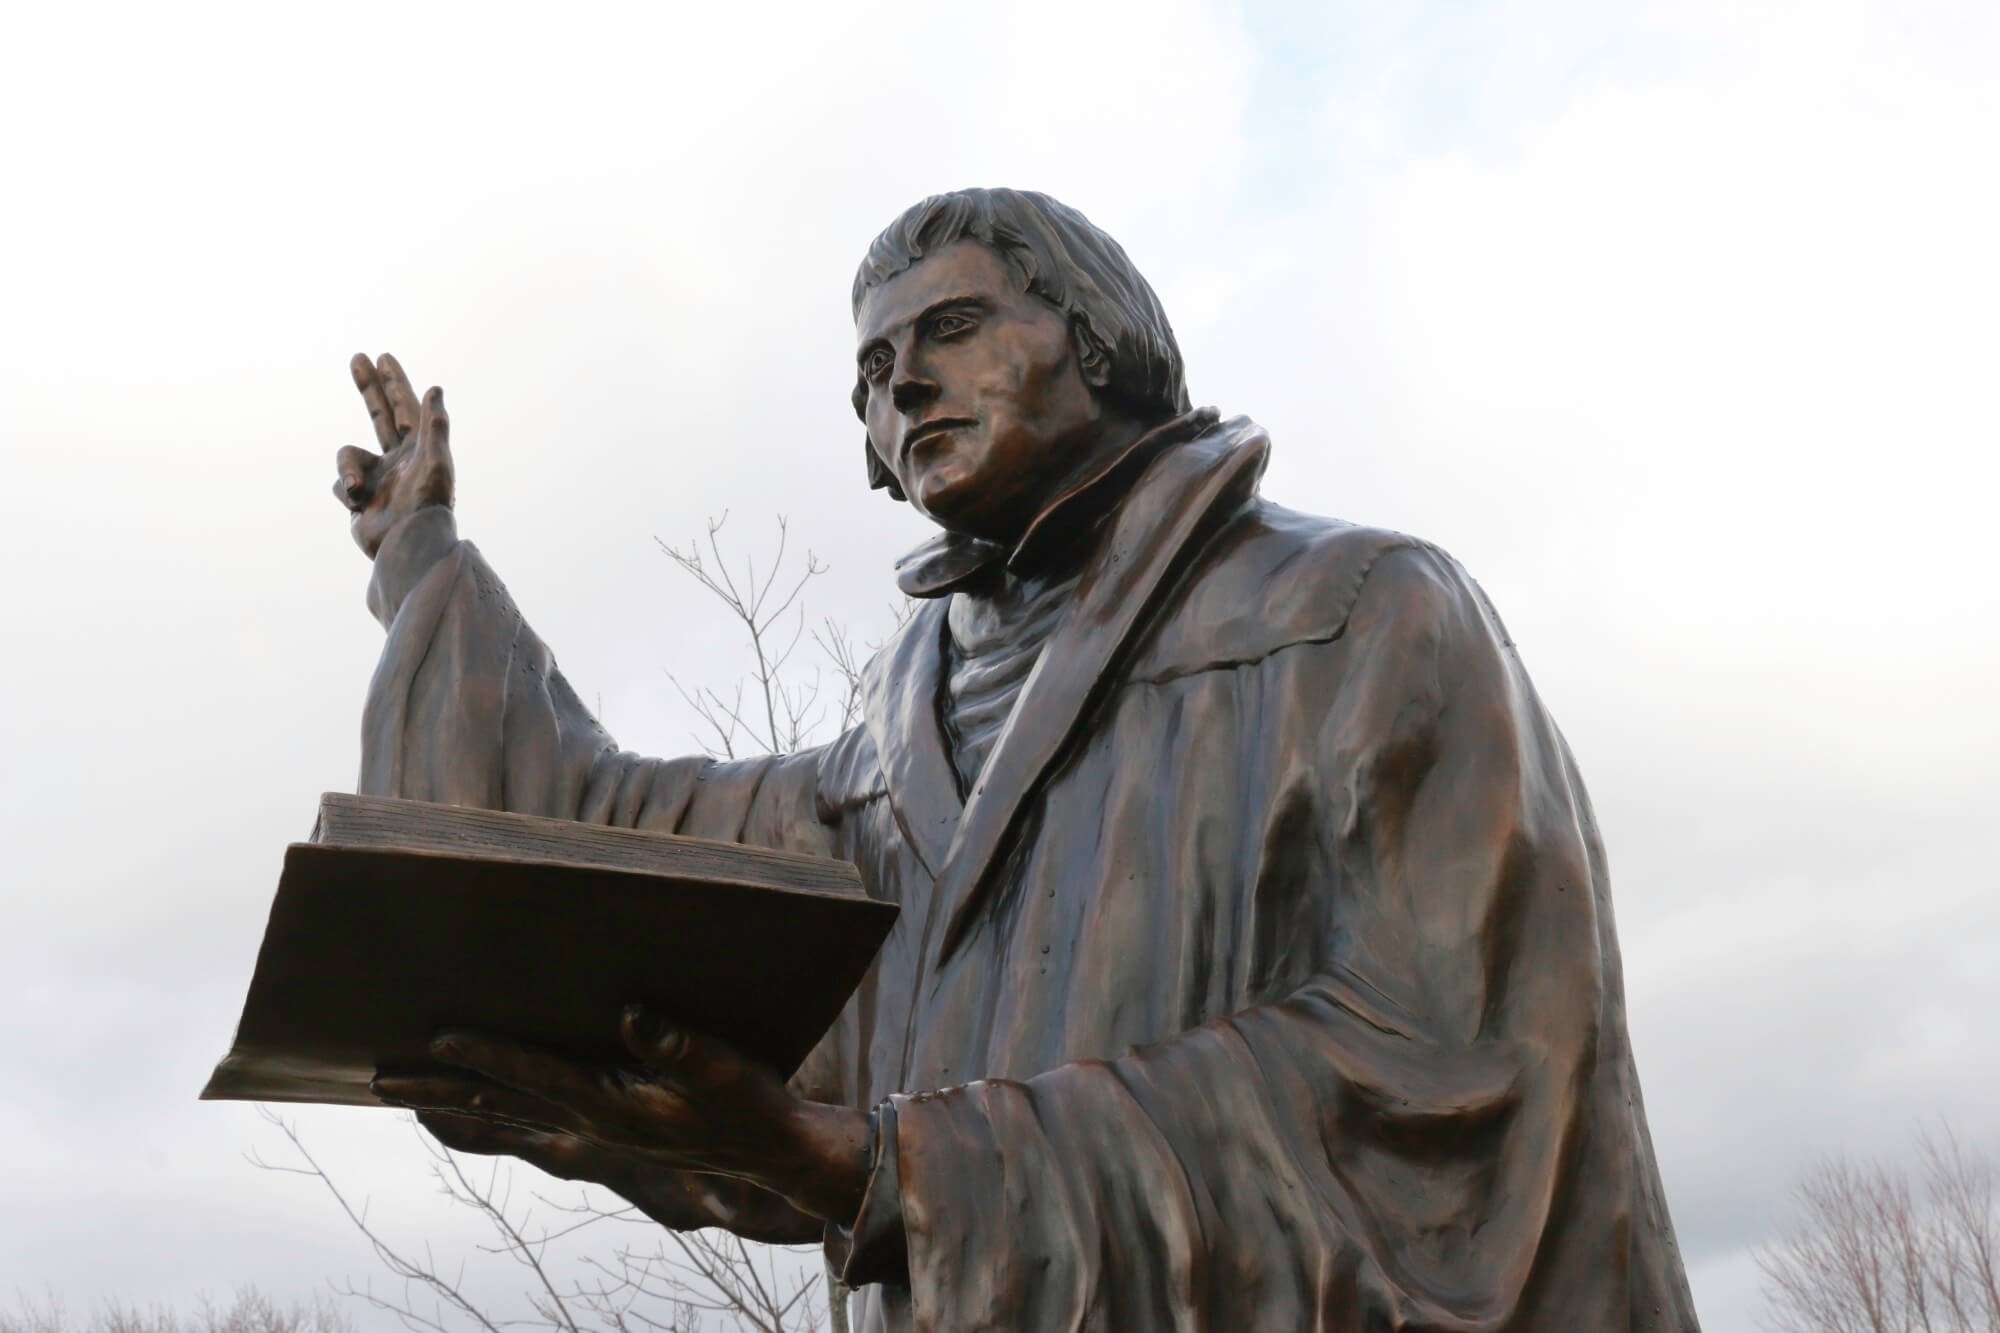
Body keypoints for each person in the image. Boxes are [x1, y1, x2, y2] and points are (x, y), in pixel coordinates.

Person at [337, 188, 1700, 1330]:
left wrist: (897, 1168)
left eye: (953, 328)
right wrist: (422, 563)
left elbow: (1453, 1078)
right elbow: (606, 844)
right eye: (873, 371)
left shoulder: (1352, 615)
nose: (903, 383)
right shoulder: (886, 767)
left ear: (1097, 339)